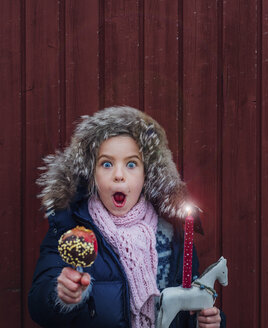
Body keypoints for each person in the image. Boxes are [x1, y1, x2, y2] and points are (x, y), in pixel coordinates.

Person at [28, 106, 225, 327]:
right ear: (91, 174)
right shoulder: (72, 229)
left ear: (147, 173)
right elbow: (39, 305)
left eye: (131, 164)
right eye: (106, 164)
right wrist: (60, 295)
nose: (119, 175)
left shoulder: (171, 231)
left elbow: (186, 303)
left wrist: (205, 322)